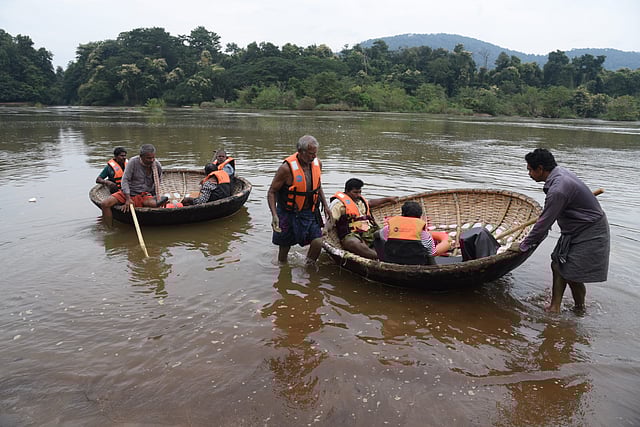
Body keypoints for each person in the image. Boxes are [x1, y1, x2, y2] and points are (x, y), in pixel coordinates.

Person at [510, 148, 610, 313]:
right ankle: (555, 307)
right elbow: (547, 218)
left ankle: (579, 310)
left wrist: (523, 245)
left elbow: (543, 224)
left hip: (589, 230)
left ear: (540, 169)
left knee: (572, 273)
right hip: (574, 229)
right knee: (557, 264)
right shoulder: (558, 174)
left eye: (529, 169)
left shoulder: (558, 189)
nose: (528, 174)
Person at [267, 135, 331, 264]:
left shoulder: (318, 163)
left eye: (315, 153)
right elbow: (272, 192)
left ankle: (309, 267)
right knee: (285, 246)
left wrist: (325, 205)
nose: (313, 157)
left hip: (310, 211)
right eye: (311, 154)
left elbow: (317, 186)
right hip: (288, 212)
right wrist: (274, 215)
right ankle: (283, 270)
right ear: (301, 152)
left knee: (318, 241)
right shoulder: (286, 169)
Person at [328, 178, 398, 259]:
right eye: (355, 192)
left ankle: (390, 253)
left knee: (389, 233)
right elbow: (331, 219)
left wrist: (388, 199)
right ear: (347, 191)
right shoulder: (338, 204)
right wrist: (325, 229)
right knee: (352, 243)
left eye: (359, 192)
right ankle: (379, 257)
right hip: (351, 233)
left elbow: (370, 203)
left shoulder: (360, 201)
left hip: (368, 230)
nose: (358, 195)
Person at [100, 144, 168, 226]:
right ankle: (109, 228)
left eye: (153, 157)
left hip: (144, 194)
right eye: (148, 158)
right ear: (141, 156)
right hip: (129, 192)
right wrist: (128, 199)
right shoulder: (133, 162)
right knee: (105, 204)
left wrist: (156, 196)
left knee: (155, 204)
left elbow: (158, 182)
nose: (152, 160)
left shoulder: (156, 165)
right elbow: (125, 180)